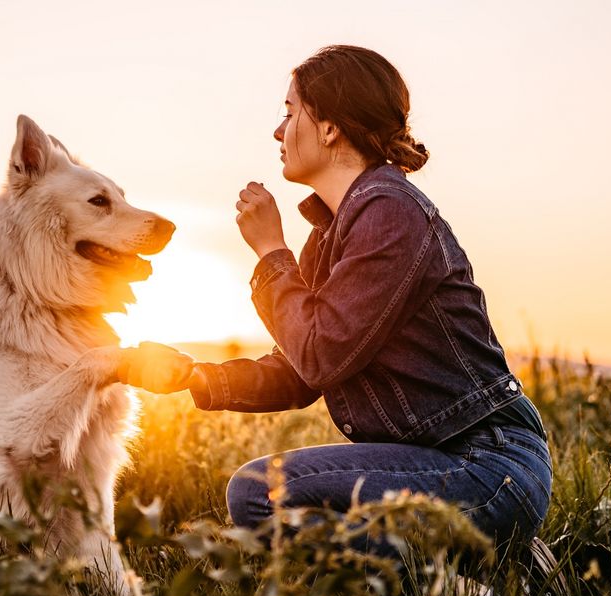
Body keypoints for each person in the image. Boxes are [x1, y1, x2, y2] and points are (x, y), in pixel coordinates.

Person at [119, 45, 552, 566]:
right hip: (435, 462)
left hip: (486, 466)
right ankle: (498, 566)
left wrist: (270, 252)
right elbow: (303, 371)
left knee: (259, 494)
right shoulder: (330, 236)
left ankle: (468, 588)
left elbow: (320, 354)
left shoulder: (390, 211)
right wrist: (195, 377)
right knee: (261, 493)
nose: (279, 132)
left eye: (289, 111)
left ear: (329, 128)